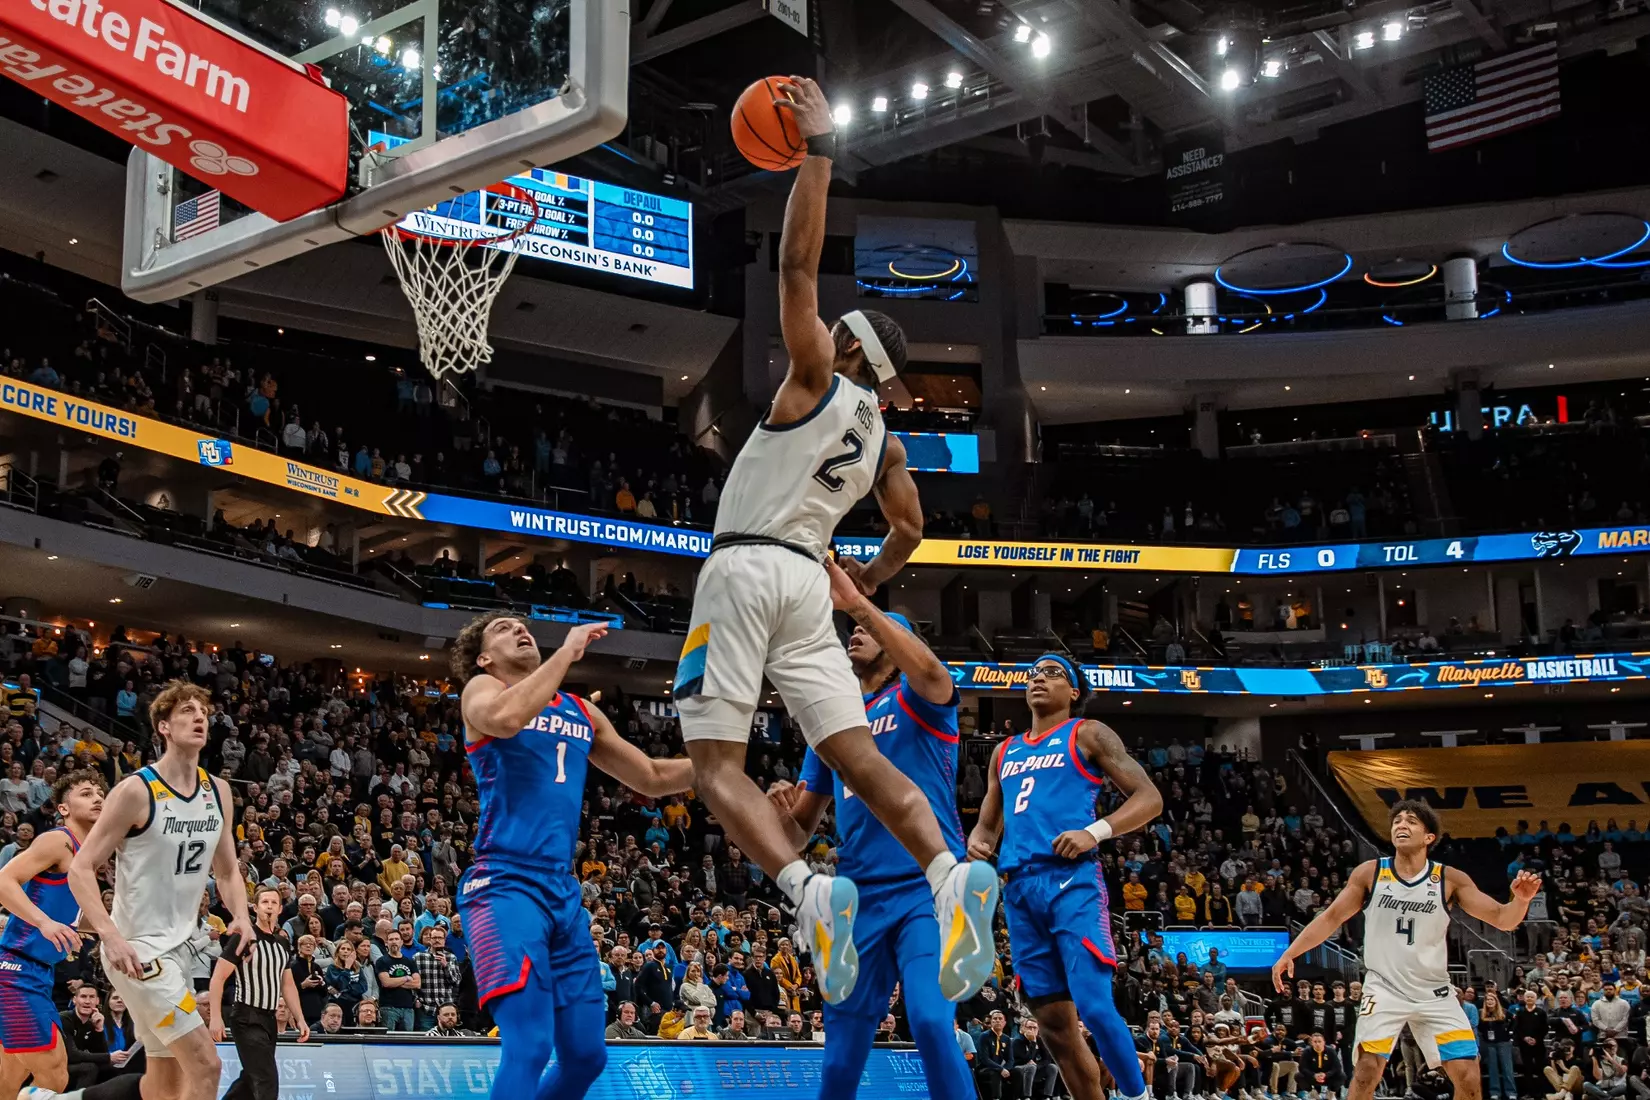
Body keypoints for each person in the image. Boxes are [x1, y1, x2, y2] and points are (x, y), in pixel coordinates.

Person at [669, 74, 994, 1007]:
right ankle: (945, 873)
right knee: (856, 752)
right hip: (811, 587)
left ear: (846, 345)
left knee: (715, 766)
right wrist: (863, 587)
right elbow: (911, 532)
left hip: (743, 567)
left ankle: (809, 893)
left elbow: (795, 272)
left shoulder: (814, 374)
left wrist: (817, 153)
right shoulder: (886, 441)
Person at [451, 616, 695, 1100]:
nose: (520, 630)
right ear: (483, 657)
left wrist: (727, 769)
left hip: (563, 891)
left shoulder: (581, 710)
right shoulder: (482, 689)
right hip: (503, 884)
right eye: (503, 629)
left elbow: (648, 775)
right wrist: (567, 652)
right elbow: (504, 720)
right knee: (530, 1046)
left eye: (523, 626)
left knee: (587, 1056)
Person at [768, 585, 979, 1100]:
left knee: (930, 1021)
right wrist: (776, 812)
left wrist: (860, 604)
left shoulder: (917, 699)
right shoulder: (831, 730)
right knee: (840, 1059)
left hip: (926, 887)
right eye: (857, 626)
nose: (856, 631)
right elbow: (798, 833)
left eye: (873, 627)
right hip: (858, 897)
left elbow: (932, 673)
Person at [30, 682, 253, 1100]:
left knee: (163, 1087)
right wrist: (110, 936)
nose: (199, 717)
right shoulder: (136, 790)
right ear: (164, 726)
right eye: (188, 710)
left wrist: (240, 914)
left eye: (203, 711)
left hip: (181, 951)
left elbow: (226, 871)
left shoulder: (217, 791)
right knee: (207, 1066)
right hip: (139, 955)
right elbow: (81, 868)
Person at [967, 656, 1162, 1100]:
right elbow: (986, 824)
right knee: (1054, 1023)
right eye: (1033, 672)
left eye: (1052, 672)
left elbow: (1150, 798)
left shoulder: (1087, 732)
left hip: (1071, 882)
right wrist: (978, 844)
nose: (1038, 677)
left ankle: (1137, 1096)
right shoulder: (1004, 750)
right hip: (1018, 890)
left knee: (1092, 1004)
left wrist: (1093, 832)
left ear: (1074, 691)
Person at [1272, 800, 1542, 1100]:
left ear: (1429, 837)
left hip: (1434, 990)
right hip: (1384, 987)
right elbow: (1331, 917)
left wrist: (1521, 901)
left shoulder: (1449, 879)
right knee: (1366, 1072)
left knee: (1467, 1075)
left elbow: (1503, 919)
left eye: (1411, 821)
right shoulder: (1370, 873)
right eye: (1397, 820)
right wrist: (1290, 953)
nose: (1401, 825)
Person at [0, 770, 104, 1097]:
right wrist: (44, 922)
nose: (98, 797)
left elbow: (72, 911)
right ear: (63, 808)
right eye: (86, 793)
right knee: (55, 1073)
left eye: (100, 792)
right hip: (17, 970)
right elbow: (3, 882)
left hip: (38, 973)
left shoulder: (89, 856)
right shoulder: (58, 840)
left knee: (10, 1077)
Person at [207, 886, 310, 1100]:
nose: (269, 907)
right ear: (255, 908)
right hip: (246, 1017)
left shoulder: (282, 943)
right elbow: (218, 978)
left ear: (281, 909)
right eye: (265, 902)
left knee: (250, 1079)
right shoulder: (244, 938)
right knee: (266, 1079)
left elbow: (288, 985)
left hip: (269, 1019)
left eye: (274, 903)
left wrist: (300, 1018)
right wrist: (216, 1018)